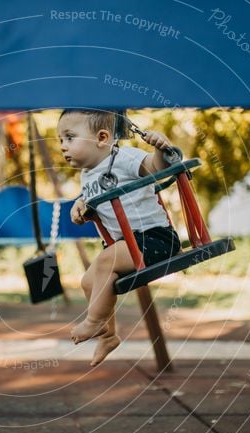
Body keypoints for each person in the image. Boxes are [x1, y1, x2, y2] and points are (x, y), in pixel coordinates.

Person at [58, 109, 181, 366]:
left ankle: (94, 322)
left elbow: (155, 167)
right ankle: (109, 336)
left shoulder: (124, 157)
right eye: (60, 140)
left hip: (154, 239)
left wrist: (160, 149)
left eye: (69, 138)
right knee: (88, 282)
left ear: (102, 138)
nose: (62, 147)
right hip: (127, 245)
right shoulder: (87, 175)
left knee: (105, 261)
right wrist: (80, 206)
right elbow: (91, 200)